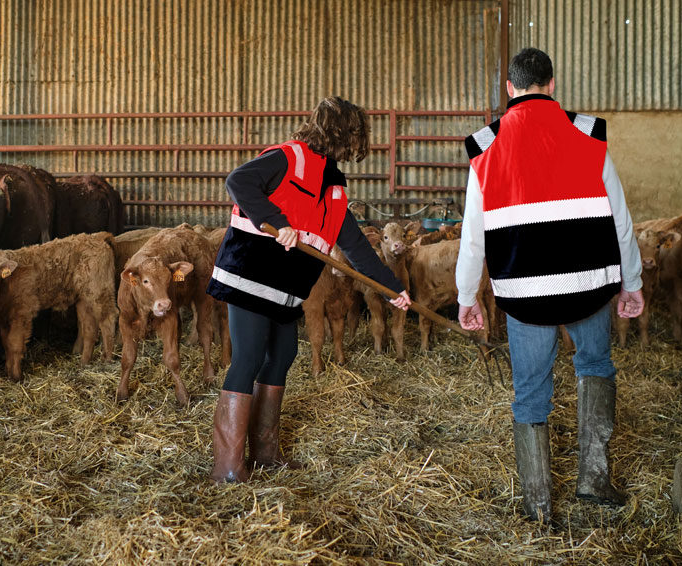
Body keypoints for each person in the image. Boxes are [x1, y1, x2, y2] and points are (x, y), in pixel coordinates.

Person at [455, 48, 645, 523]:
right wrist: (633, 282)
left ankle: (537, 506)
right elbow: (620, 219)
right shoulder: (587, 133)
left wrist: (466, 295)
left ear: (510, 88)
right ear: (552, 84)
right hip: (589, 285)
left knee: (531, 391)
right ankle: (595, 483)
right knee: (595, 365)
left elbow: (472, 236)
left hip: (524, 292)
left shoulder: (485, 144)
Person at [206, 96, 412, 483]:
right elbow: (239, 181)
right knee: (248, 358)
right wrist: (275, 220)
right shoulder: (288, 157)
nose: (357, 146)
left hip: (287, 290)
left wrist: (392, 289)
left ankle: (265, 454)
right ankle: (227, 467)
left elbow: (355, 246)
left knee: (284, 354)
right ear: (340, 132)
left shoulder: (333, 186)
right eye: (354, 136)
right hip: (252, 277)